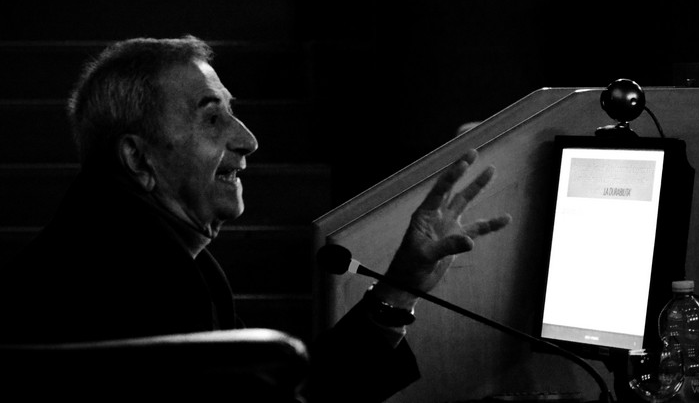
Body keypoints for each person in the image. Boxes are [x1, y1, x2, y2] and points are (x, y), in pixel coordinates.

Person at [0, 35, 510, 401]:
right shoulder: (126, 274)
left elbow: (293, 392)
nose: (248, 139)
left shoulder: (147, 248)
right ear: (138, 158)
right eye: (212, 117)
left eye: (232, 112)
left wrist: (399, 288)